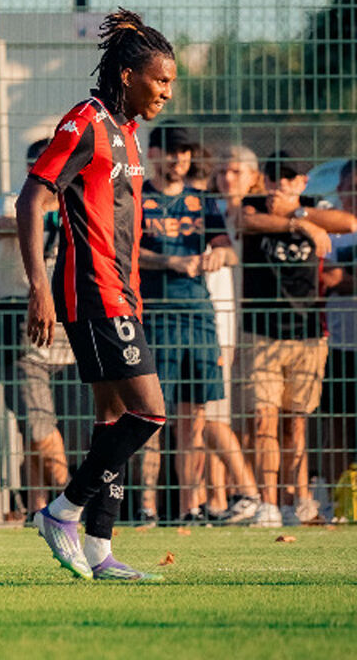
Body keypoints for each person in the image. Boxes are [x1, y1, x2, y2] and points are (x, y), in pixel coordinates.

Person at [20, 9, 174, 581]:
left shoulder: (127, 132)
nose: (166, 92)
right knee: (150, 412)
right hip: (93, 291)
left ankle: (100, 549)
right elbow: (31, 199)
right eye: (160, 80)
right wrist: (39, 286)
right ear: (129, 76)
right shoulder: (84, 121)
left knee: (113, 418)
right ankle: (61, 511)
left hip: (122, 293)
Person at [237, 154, 357, 526]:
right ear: (265, 180)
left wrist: (298, 213)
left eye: (289, 179)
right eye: (275, 178)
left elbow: (348, 222)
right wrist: (301, 224)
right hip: (261, 332)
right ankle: (269, 503)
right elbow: (246, 222)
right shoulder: (253, 203)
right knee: (263, 420)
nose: (281, 185)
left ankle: (296, 501)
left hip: (308, 334)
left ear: (302, 183)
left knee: (296, 423)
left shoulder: (314, 206)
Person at [138, 126, 248, 525]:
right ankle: (146, 507)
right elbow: (125, 251)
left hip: (199, 316)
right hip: (154, 315)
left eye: (185, 152)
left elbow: (228, 251)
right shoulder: (137, 197)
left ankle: (190, 507)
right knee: (149, 417)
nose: (180, 159)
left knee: (194, 418)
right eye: (172, 152)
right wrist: (171, 261)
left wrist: (218, 256)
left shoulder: (202, 202)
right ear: (154, 154)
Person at [0, 138, 74, 517]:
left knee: (56, 424)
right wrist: (53, 216)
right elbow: (6, 224)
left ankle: (39, 507)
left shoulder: (73, 202)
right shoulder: (15, 199)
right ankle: (72, 503)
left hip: (65, 323)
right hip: (16, 317)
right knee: (35, 420)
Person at [321, 161, 356, 503]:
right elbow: (323, 276)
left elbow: (337, 278)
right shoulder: (329, 229)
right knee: (336, 426)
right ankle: (335, 503)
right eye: (352, 186)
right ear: (341, 188)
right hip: (337, 344)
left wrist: (345, 280)